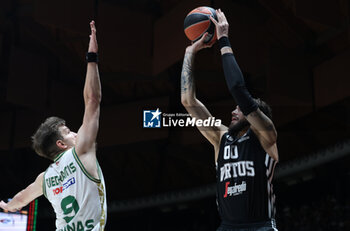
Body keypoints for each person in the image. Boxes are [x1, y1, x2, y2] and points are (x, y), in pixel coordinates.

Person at [0, 21, 107, 231]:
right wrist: (92, 59)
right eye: (68, 132)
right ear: (61, 144)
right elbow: (93, 100)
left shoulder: (45, 179)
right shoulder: (81, 152)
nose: (75, 133)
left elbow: (21, 199)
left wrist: (7, 205)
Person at [181, 9, 279, 231]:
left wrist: (223, 38)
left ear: (255, 116)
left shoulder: (266, 136)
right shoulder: (221, 138)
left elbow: (238, 90)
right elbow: (188, 101)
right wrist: (190, 53)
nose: (234, 112)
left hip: (260, 227)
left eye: (240, 110)